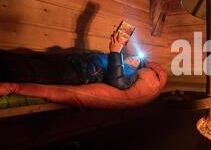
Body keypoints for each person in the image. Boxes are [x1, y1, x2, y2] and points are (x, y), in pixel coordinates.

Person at [0, 31, 145, 90]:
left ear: (137, 67)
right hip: (70, 61)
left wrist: (115, 52)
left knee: (26, 69)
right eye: (135, 56)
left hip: (77, 73)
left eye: (137, 60)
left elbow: (118, 83)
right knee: (27, 59)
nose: (134, 58)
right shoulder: (115, 60)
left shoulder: (131, 72)